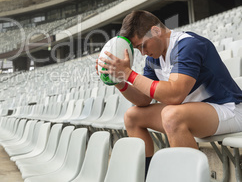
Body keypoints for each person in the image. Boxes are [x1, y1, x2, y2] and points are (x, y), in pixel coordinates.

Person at [97, 10, 242, 175]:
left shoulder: (188, 45)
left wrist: (130, 74)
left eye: (142, 45)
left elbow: (175, 95)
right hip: (195, 111)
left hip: (229, 109)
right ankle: (145, 176)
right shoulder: (154, 58)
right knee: (132, 116)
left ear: (156, 31)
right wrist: (119, 81)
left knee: (172, 115)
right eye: (138, 49)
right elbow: (143, 100)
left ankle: (188, 178)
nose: (142, 53)